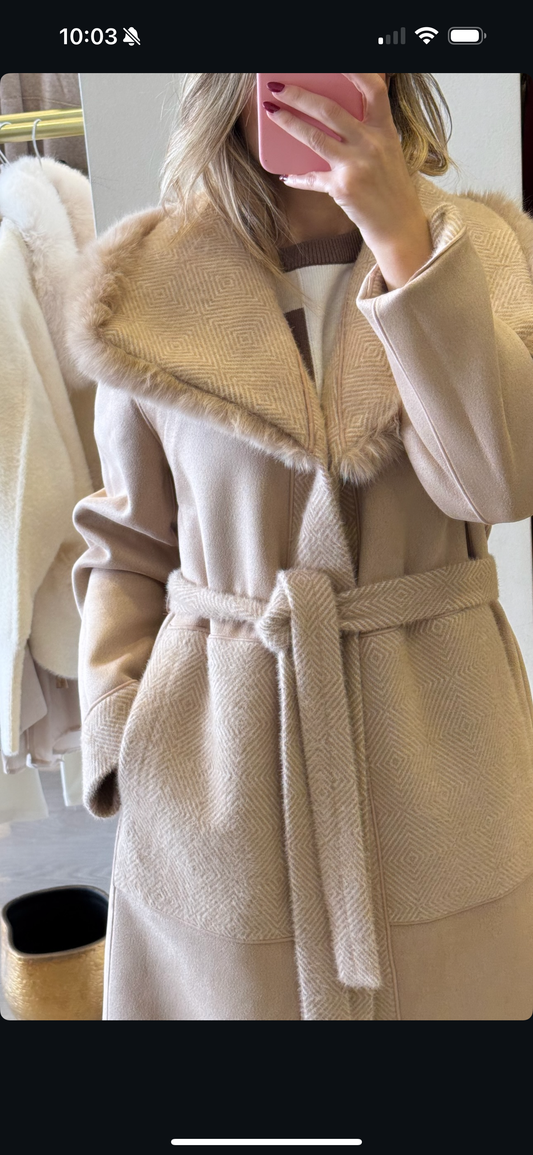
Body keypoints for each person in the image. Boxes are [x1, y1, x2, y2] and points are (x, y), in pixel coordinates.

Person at [67, 73, 533, 1021]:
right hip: (219, 776)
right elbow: (127, 545)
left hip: (444, 768)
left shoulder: (483, 250)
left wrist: (406, 248)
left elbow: (498, 484)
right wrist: (122, 737)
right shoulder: (147, 282)